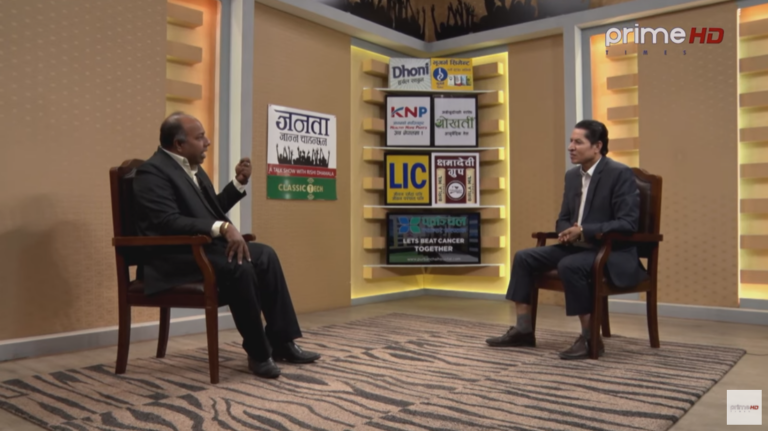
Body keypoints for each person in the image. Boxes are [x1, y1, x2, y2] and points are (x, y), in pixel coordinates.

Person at [132, 112, 320, 379]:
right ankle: (259, 353)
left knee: (265, 255)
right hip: (171, 258)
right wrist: (223, 228)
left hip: (201, 250)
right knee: (239, 265)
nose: (207, 142)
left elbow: (212, 210)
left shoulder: (192, 168)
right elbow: (166, 221)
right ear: (179, 144)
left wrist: (238, 184)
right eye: (200, 137)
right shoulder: (152, 172)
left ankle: (281, 341)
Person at [486, 119, 646, 359]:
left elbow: (628, 222)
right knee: (523, 258)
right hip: (576, 247)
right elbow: (563, 218)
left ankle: (590, 338)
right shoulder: (572, 176)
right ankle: (523, 330)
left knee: (569, 265)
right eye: (571, 141)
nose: (570, 147)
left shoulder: (619, 173)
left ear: (597, 146)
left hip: (610, 251)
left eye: (578, 142)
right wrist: (566, 231)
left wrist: (583, 230)